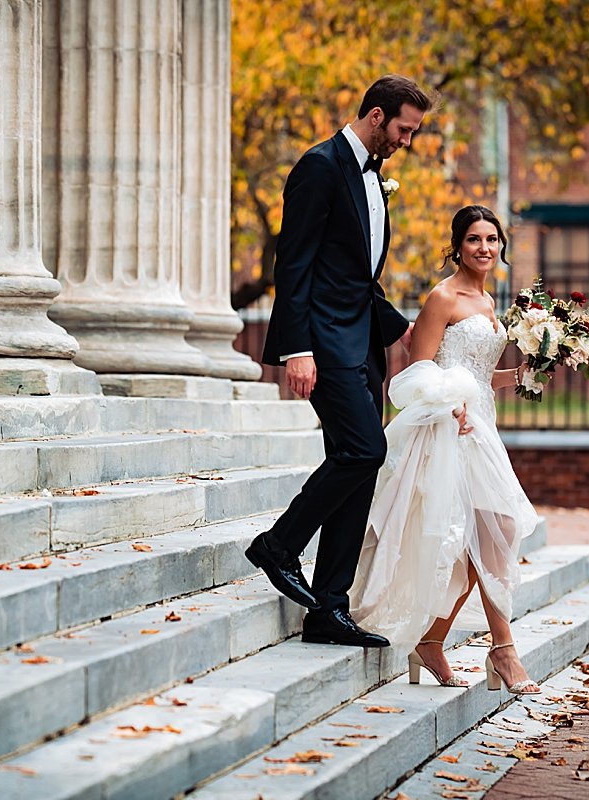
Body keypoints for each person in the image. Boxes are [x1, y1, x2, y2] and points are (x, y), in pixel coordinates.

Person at [247, 75, 434, 648]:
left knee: (358, 466)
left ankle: (329, 608)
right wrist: (295, 349)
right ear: (377, 116)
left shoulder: (375, 180)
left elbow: (355, 279)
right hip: (323, 347)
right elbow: (296, 265)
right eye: (404, 129)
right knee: (364, 449)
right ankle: (279, 545)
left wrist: (407, 331)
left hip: (361, 345)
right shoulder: (319, 166)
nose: (408, 140)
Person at [349, 204, 542, 694]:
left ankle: (433, 641)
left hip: (483, 425)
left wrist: (522, 374)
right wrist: (450, 406)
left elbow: (478, 377)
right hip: (450, 430)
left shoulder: (491, 303)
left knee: (484, 535)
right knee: (493, 527)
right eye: (475, 239)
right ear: (457, 245)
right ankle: (504, 650)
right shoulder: (443, 297)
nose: (485, 248)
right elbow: (418, 370)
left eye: (492, 240)